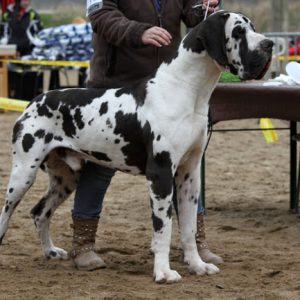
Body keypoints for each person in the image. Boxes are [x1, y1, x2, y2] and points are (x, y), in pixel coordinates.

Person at [70, 0, 223, 271]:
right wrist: (137, 32)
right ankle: (83, 243)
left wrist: (205, 7)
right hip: (113, 87)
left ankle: (195, 242)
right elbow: (100, 15)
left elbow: (193, 16)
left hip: (166, 87)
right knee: (99, 168)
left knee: (186, 165)